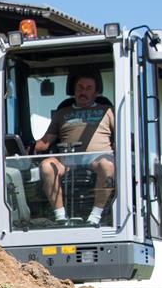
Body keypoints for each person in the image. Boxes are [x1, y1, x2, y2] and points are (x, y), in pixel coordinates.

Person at [32, 66, 116, 227]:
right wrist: (21, 146)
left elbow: (119, 138)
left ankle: (95, 216)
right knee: (47, 166)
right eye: (80, 87)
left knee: (108, 166)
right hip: (67, 160)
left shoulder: (107, 111)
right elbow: (44, 143)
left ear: (96, 92)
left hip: (98, 159)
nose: (83, 92)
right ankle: (60, 216)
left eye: (88, 88)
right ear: (74, 90)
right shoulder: (62, 113)